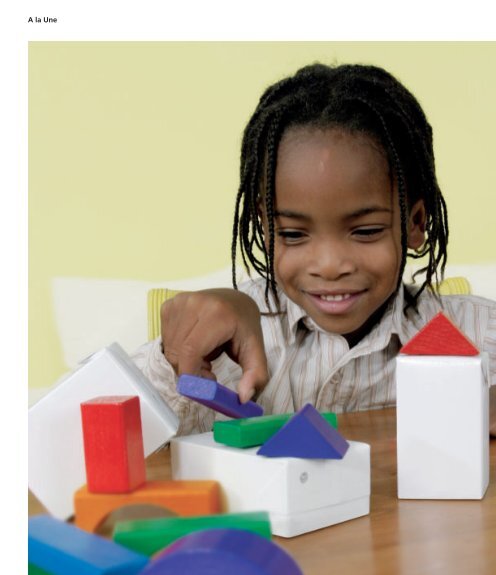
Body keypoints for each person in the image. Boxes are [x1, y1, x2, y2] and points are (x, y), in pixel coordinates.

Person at [132, 63, 496, 435]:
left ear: (415, 224)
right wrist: (170, 359)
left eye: (366, 231)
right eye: (292, 234)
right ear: (265, 226)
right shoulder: (224, 345)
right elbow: (90, 434)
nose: (329, 265)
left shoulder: (479, 334)